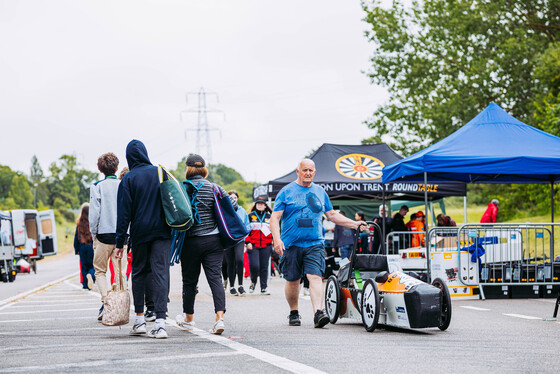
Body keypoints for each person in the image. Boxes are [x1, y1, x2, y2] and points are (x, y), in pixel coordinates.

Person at [270, 159, 366, 328]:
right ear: (298, 172)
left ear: (315, 172)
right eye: (305, 170)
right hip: (291, 244)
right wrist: (277, 239)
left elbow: (332, 215)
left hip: (314, 243)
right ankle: (294, 312)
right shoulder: (286, 192)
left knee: (315, 276)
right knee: (293, 279)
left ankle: (318, 313)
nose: (308, 173)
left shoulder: (320, 192)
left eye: (311, 170)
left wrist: (354, 224)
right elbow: (275, 217)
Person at [115, 140, 171, 339]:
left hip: (140, 233)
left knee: (139, 273)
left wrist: (119, 242)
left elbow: (123, 215)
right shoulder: (160, 172)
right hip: (163, 232)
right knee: (161, 273)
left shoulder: (128, 179)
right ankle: (161, 323)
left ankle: (139, 321)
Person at [175, 154, 228, 335]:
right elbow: (231, 207)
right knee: (215, 279)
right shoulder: (214, 188)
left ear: (188, 169)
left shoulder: (182, 189)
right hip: (213, 241)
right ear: (203, 169)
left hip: (189, 241)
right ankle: (219, 319)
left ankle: (188, 319)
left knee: (189, 281)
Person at [89, 152, 127, 321]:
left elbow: (94, 214)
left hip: (103, 235)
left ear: (100, 170)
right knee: (120, 272)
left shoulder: (97, 186)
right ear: (117, 168)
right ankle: (122, 305)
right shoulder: (124, 185)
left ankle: (106, 302)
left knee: (100, 271)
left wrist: (93, 234)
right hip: (122, 234)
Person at [245, 195, 274, 295]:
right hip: (253, 245)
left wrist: (274, 241)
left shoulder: (270, 217)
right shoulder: (250, 216)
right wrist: (247, 242)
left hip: (266, 245)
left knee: (264, 267)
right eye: (258, 203)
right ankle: (253, 282)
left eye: (262, 204)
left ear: (265, 205)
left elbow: (275, 231)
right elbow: (245, 230)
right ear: (255, 204)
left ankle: (263, 288)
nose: (260, 205)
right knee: (255, 266)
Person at [224, 190, 250, 296]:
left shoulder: (242, 211)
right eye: (231, 197)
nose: (233, 199)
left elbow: (247, 225)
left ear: (237, 199)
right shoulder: (225, 210)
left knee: (239, 260)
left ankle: (240, 285)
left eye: (235, 197)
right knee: (230, 263)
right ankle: (232, 286)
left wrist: (245, 236)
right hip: (228, 239)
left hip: (239, 239)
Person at [74, 203, 95, 290]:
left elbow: (76, 237)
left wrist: (76, 249)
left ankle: (85, 284)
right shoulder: (92, 222)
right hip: (90, 246)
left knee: (84, 266)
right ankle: (91, 275)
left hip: (82, 247)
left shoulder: (79, 224)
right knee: (92, 266)